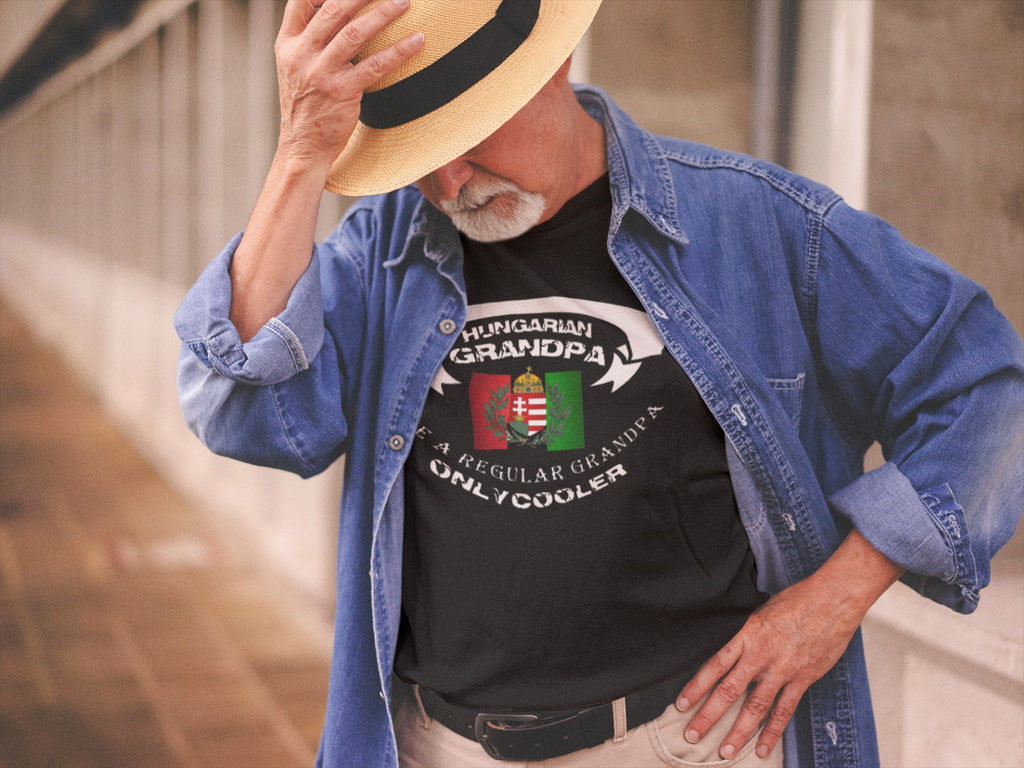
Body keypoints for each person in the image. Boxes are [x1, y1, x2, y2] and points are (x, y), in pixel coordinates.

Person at [174, 1, 1024, 766]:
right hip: (438, 747)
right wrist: (299, 158)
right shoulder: (383, 249)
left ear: (554, 64)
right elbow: (247, 416)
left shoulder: (758, 224)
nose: (449, 182)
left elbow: (985, 384)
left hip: (688, 743)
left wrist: (835, 599)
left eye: (466, 138)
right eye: (416, 155)